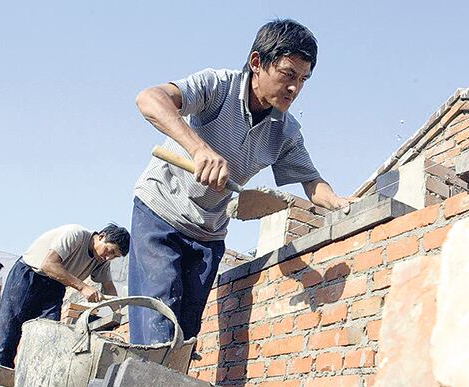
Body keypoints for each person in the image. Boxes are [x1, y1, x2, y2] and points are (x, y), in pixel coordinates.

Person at [130, 19, 354, 346]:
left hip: (208, 233)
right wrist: (199, 149)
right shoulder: (218, 86)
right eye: (288, 74)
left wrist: (338, 202)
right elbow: (149, 98)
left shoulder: (285, 131)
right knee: (158, 327)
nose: (295, 88)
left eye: (303, 80)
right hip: (160, 213)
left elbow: (312, 182)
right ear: (257, 62)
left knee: (185, 338)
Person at [0, 223, 129, 368]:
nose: (108, 257)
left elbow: (108, 287)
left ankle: (33, 374)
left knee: (49, 333)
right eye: (110, 251)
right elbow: (49, 264)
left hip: (56, 286)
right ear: (102, 237)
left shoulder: (102, 261)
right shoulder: (75, 235)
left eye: (114, 256)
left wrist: (121, 314)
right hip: (29, 276)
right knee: (8, 331)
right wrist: (83, 287)